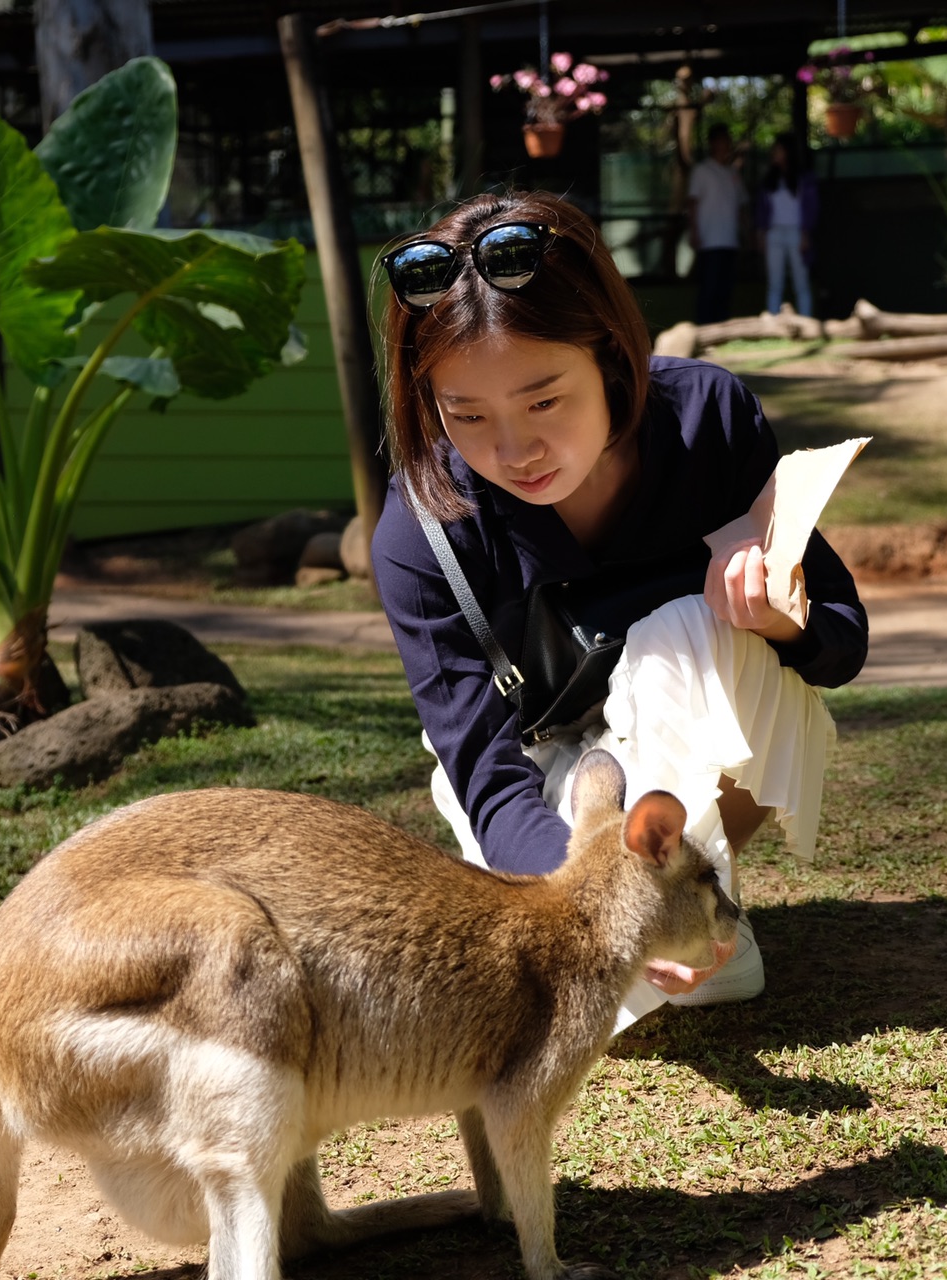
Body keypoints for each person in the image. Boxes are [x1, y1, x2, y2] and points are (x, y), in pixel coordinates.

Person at [370, 191, 868, 1027]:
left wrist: (782, 621)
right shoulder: (421, 531)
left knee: (683, 630)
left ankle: (693, 909)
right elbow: (488, 778)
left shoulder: (706, 420)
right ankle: (669, 924)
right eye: (466, 416)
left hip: (698, 737)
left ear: (607, 354)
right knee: (576, 968)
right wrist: (590, 912)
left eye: (544, 401)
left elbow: (843, 646)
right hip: (556, 783)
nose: (514, 449)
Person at [685, 123, 746, 325]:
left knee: (725, 290)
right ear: (713, 143)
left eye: (727, 140)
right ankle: (704, 331)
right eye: (722, 140)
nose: (725, 144)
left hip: (730, 240)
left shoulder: (732, 173)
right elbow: (692, 203)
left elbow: (741, 206)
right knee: (708, 289)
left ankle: (722, 332)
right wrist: (694, 232)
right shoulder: (701, 171)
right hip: (709, 240)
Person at [755, 135, 818, 318]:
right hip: (774, 234)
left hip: (797, 233)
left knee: (801, 282)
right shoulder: (769, 180)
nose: (774, 153)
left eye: (778, 149)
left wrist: (806, 233)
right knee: (775, 283)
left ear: (788, 152)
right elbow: (761, 210)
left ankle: (806, 322)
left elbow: (811, 208)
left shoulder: (804, 178)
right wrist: (760, 234)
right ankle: (774, 323)